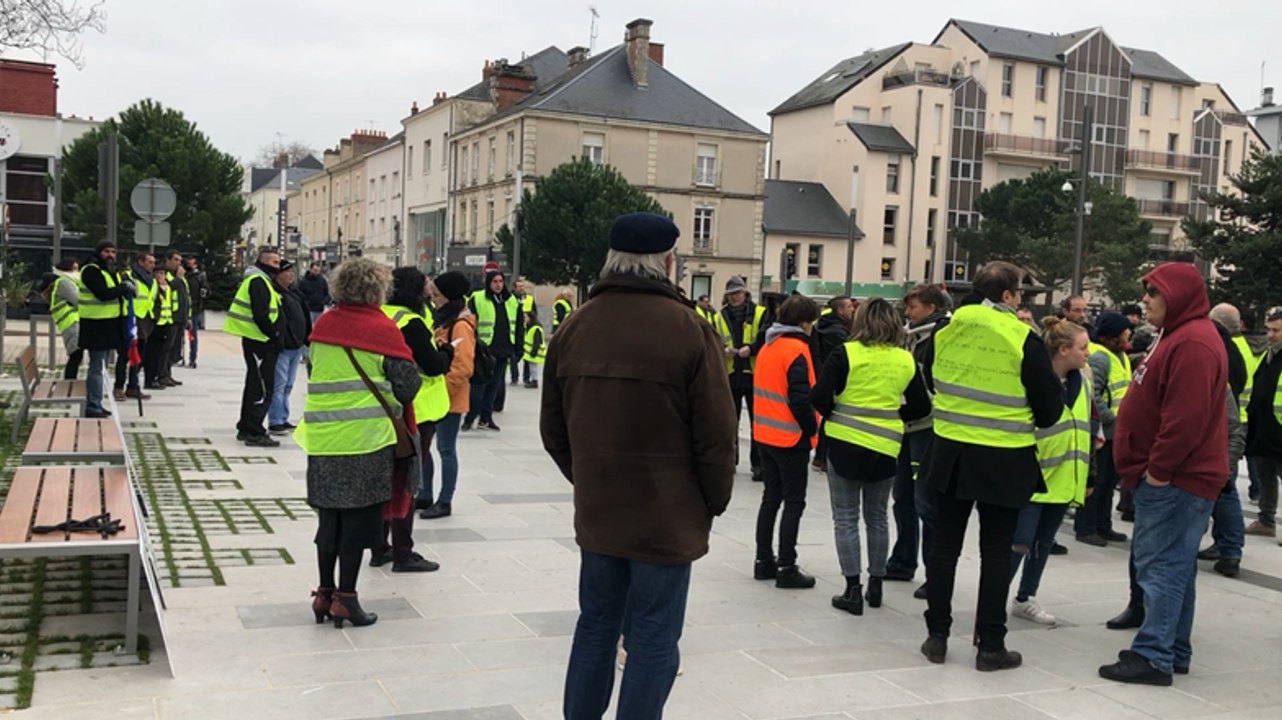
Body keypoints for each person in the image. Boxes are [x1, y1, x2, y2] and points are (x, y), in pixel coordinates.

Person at [541, 212, 735, 719]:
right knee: (652, 633)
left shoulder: (575, 327)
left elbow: (553, 431)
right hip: (667, 515)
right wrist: (711, 501)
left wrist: (590, 477)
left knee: (596, 625)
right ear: (668, 261)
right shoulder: (690, 331)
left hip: (601, 510)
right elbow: (717, 434)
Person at [919, 261, 1063, 672]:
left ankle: (937, 636)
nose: (1021, 302)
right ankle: (990, 646)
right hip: (1004, 457)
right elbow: (1050, 410)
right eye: (1019, 293)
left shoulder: (944, 329)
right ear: (1006, 295)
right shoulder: (1021, 337)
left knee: (943, 548)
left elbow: (931, 377)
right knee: (996, 553)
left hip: (949, 453)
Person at [1097, 262, 1228, 686]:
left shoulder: (1192, 343)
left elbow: (1184, 420)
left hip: (1176, 480)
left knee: (1162, 567)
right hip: (1173, 477)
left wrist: (1158, 471)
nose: (1145, 300)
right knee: (1175, 565)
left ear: (1177, 297)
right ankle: (1173, 648)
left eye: (1153, 292)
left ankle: (1154, 655)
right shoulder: (1175, 336)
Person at [296, 259, 422, 629]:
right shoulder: (380, 328)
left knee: (329, 518)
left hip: (322, 438)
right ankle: (347, 600)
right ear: (377, 290)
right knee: (358, 519)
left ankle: (323, 593)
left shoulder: (323, 326)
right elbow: (408, 385)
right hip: (366, 439)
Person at [813, 298, 930, 616]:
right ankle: (876, 584)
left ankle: (852, 590)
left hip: (844, 445)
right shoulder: (904, 359)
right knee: (877, 518)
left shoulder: (845, 353)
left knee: (846, 519)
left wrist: (838, 413)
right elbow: (921, 407)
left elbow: (819, 397)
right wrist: (892, 412)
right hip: (886, 447)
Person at [1009, 317, 1094, 626]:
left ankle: (1026, 597)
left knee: (1043, 541)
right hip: (1034, 476)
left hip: (1065, 477)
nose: (1088, 353)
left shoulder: (1082, 381)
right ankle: (992, 596)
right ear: (1062, 349)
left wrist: (1090, 476)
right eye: (1083, 347)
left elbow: (1088, 427)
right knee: (1019, 540)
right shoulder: (1033, 379)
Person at [370, 266, 453, 571]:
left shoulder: (380, 314)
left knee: (384, 478)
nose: (430, 290)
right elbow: (431, 366)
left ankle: (379, 547)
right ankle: (403, 552)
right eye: (425, 286)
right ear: (414, 291)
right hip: (416, 410)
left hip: (383, 407)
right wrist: (447, 355)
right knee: (407, 480)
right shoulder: (412, 322)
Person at [751, 294, 822, 590]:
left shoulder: (768, 346)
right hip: (790, 436)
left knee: (771, 498)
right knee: (794, 502)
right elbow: (800, 398)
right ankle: (786, 565)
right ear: (804, 322)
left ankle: (763, 560)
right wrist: (811, 430)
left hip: (765, 433)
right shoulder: (797, 349)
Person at [886, 285, 949, 590]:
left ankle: (934, 573)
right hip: (907, 425)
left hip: (928, 426)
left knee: (925, 501)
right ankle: (902, 560)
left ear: (932, 307)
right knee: (903, 498)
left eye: (913, 307)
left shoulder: (942, 336)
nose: (907, 313)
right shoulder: (909, 336)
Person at [420, 271, 476, 520]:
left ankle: (445, 500)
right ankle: (425, 493)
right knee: (424, 447)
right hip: (433, 398)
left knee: (445, 449)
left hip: (449, 399)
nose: (434, 299)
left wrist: (442, 391)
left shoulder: (460, 325)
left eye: (438, 295)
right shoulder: (442, 320)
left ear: (449, 297)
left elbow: (463, 367)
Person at [1076, 312, 1133, 546]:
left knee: (1108, 482)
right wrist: (1111, 419)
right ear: (1112, 336)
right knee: (1096, 482)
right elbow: (1093, 394)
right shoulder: (1100, 358)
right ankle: (1086, 527)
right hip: (1105, 430)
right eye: (1124, 332)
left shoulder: (1120, 355)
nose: (1128, 335)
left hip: (1116, 432)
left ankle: (1103, 525)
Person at [224, 248, 284, 447]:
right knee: (262, 388)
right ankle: (255, 432)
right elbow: (261, 314)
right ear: (263, 262)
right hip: (260, 342)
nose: (278, 266)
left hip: (258, 341)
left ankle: (246, 426)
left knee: (253, 385)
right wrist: (274, 335)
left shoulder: (261, 280)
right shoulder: (258, 281)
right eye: (274, 262)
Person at [77, 240, 135, 418]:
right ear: (99, 252)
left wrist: (126, 287)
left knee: (100, 366)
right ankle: (93, 405)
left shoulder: (110, 271)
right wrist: (123, 288)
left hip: (108, 324)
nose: (111, 255)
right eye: (107, 251)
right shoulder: (91, 270)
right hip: (95, 325)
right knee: (96, 367)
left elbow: (115, 293)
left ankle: (96, 402)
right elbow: (102, 294)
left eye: (113, 252)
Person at [720, 275, 766, 481]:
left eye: (738, 293)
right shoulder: (720, 316)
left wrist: (752, 348)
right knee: (730, 421)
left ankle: (758, 464)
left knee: (758, 422)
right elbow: (713, 338)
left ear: (745, 293)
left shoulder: (759, 313)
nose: (735, 297)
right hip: (731, 374)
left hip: (755, 374)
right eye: (731, 294)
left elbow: (765, 336)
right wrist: (723, 350)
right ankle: (731, 461)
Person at [1244, 307, 1282, 542]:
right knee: (1265, 477)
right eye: (1269, 329)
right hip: (1263, 428)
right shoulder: (1269, 354)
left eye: (1276, 330)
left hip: (1279, 429)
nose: (1270, 334)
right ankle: (1266, 520)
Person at [465, 269, 518, 431]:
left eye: (501, 281)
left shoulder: (510, 300)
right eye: (495, 281)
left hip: (503, 349)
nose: (498, 285)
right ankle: (470, 417)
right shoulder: (478, 298)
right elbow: (469, 323)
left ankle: (486, 418)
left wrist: (517, 348)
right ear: (488, 283)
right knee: (479, 385)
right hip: (484, 350)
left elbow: (518, 324)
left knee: (494, 385)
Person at [809, 296, 855, 474]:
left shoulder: (825, 326)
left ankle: (820, 457)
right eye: (849, 307)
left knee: (828, 417)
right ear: (840, 311)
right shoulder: (837, 332)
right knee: (831, 417)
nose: (852, 310)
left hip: (824, 376)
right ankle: (822, 457)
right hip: (833, 379)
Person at [268, 261, 313, 434]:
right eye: (287, 272)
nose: (291, 275)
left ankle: (283, 417)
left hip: (297, 346)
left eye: (292, 272)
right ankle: (275, 420)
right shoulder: (276, 293)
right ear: (278, 274)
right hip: (284, 347)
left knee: (288, 384)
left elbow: (304, 315)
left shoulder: (294, 293)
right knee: (279, 385)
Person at [114, 252, 156, 400]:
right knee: (125, 354)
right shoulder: (128, 276)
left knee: (138, 357)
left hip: (145, 320)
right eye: (149, 262)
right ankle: (119, 386)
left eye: (153, 262)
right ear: (141, 262)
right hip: (130, 319)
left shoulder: (152, 280)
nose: (152, 265)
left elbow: (152, 299)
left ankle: (133, 386)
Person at [48, 258, 83, 380]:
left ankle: (70, 383)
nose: (77, 271)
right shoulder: (64, 282)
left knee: (77, 355)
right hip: (71, 323)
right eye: (74, 268)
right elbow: (78, 300)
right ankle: (69, 383)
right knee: (75, 355)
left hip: (74, 322)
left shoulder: (71, 281)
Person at [147, 265, 175, 391]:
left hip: (167, 321)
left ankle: (158, 376)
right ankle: (150, 378)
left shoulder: (168, 287)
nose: (160, 275)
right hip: (156, 323)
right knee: (152, 353)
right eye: (158, 273)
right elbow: (151, 303)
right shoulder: (153, 286)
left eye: (163, 273)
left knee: (161, 352)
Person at [181, 255, 207, 368]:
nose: (188, 265)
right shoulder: (184, 276)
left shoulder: (199, 277)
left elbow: (205, 292)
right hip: (182, 308)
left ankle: (192, 359)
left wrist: (199, 305)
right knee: (178, 334)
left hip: (194, 309)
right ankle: (178, 357)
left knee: (192, 335)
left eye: (191, 263)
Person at [522, 311, 546, 389]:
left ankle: (534, 381)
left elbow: (537, 341)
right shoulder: (529, 327)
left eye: (526, 317)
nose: (524, 319)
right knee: (532, 367)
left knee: (533, 368)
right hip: (531, 352)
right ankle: (533, 380)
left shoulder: (536, 328)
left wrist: (534, 351)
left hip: (535, 352)